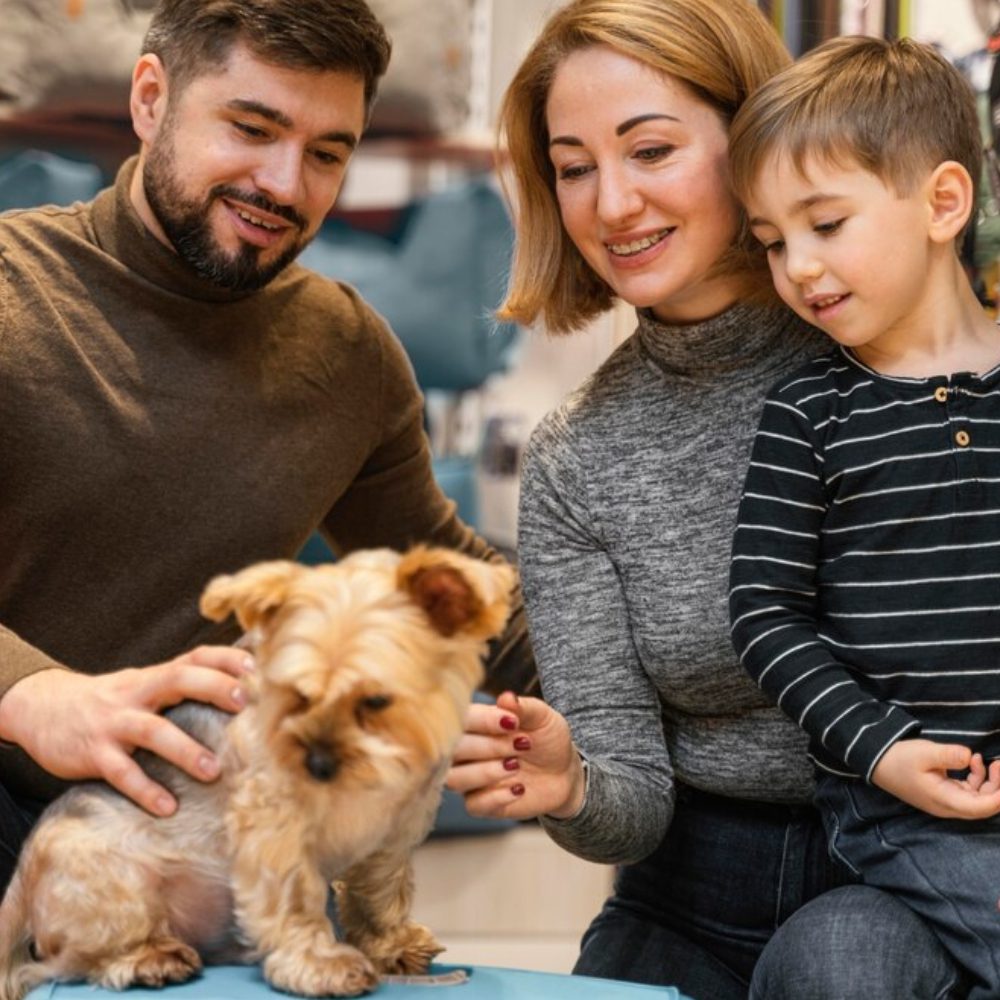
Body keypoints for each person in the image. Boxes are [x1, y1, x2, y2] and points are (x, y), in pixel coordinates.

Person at [445, 2, 967, 998]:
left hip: (902, 873)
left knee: (838, 974)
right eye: (574, 165)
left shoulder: (905, 363)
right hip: (684, 886)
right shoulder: (576, 458)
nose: (610, 202)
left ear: (751, 137)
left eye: (649, 150)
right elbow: (629, 799)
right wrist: (571, 781)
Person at [0, 0, 532, 896]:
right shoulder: (13, 291)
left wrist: (682, 691)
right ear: (149, 98)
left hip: (180, 848)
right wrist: (27, 694)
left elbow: (455, 576)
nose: (284, 185)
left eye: (327, 154)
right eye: (252, 128)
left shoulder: (348, 354)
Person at [727, 35, 1000, 998]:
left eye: (826, 223)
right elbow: (764, 610)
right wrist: (880, 750)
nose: (798, 266)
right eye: (770, 241)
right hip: (902, 807)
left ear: (942, 203)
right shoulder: (811, 412)